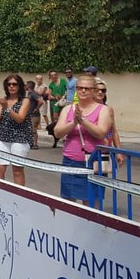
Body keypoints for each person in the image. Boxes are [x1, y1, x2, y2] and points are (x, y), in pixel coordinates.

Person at [53, 75, 113, 207]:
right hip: (71, 160)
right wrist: (73, 123)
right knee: (68, 202)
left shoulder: (103, 110)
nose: (83, 91)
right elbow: (58, 132)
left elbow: (101, 132)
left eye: (87, 88)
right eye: (80, 88)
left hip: (95, 161)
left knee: (91, 203)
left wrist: (83, 121)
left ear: (93, 91)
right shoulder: (68, 109)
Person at [0, 74, 32, 186]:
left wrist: (7, 108)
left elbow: (20, 119)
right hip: (4, 138)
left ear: (19, 86)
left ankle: (19, 197)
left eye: (14, 84)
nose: (11, 86)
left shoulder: (25, 101)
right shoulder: (4, 100)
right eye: (9, 84)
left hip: (20, 139)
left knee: (17, 170)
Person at [47, 70, 67, 147]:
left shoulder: (63, 81)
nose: (53, 76)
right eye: (51, 75)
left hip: (63, 101)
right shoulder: (51, 85)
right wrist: (55, 97)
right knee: (55, 119)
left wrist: (63, 96)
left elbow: (67, 90)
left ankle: (64, 137)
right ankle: (56, 137)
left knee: (64, 118)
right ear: (50, 77)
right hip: (55, 104)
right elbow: (49, 95)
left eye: (55, 74)